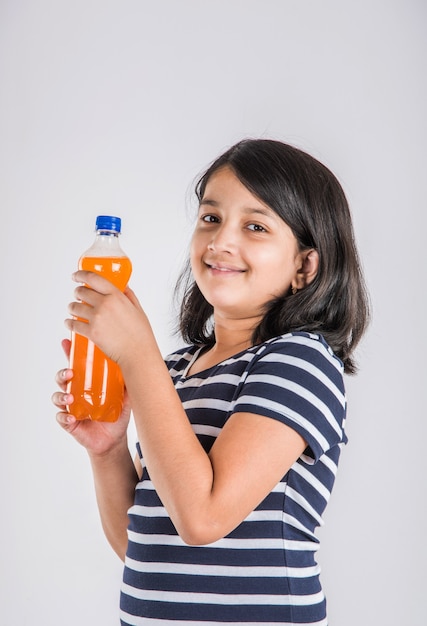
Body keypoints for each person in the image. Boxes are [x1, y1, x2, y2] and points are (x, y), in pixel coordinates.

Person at [53, 138, 370, 625]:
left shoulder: (302, 361)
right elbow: (144, 546)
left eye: (256, 226)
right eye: (211, 218)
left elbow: (202, 520)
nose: (221, 241)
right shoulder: (178, 369)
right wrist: (108, 450)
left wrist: (138, 357)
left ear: (305, 266)